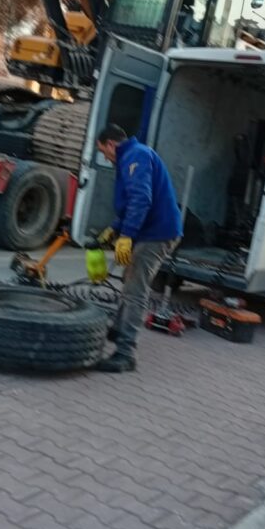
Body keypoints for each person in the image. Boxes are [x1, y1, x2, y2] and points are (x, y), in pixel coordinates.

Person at [94, 124, 183, 373]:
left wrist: (126, 236)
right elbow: (131, 201)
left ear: (111, 144)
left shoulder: (136, 156)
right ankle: (119, 329)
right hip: (153, 230)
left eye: (104, 151)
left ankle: (126, 353)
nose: (105, 157)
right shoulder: (131, 157)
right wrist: (115, 227)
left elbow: (141, 199)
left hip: (158, 233)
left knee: (136, 289)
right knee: (129, 279)